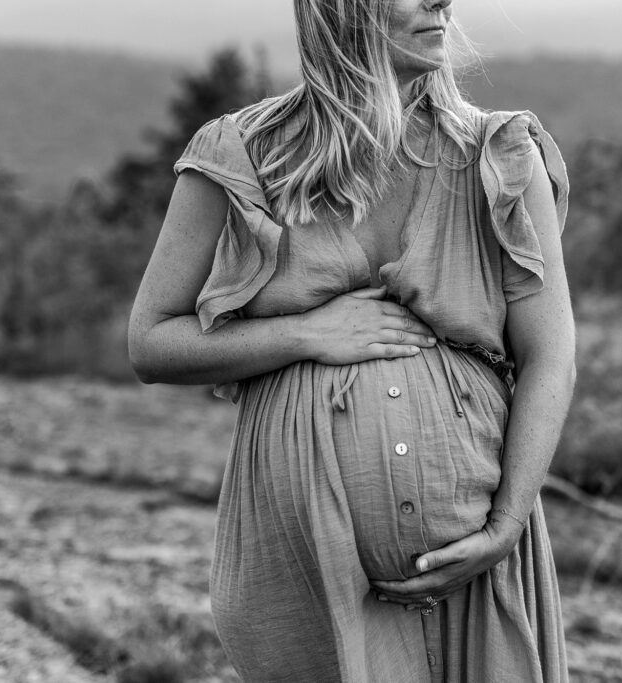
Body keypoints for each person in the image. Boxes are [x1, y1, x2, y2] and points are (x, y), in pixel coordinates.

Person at [128, 0, 575, 680]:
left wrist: (505, 525)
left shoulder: (500, 156)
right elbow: (152, 341)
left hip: (477, 564)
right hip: (303, 569)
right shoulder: (243, 154)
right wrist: (304, 333)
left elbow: (551, 354)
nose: (442, 2)